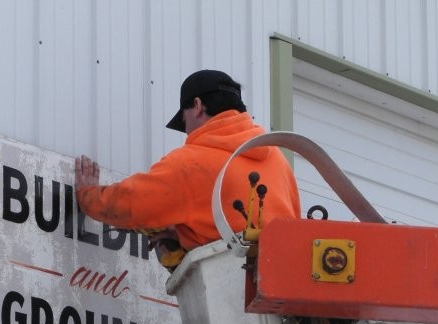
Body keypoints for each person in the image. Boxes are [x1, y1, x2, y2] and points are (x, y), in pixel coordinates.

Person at [75, 69, 301, 265]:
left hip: (232, 293)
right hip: (285, 285)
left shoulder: (191, 163)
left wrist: (88, 196)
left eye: (184, 122)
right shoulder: (277, 159)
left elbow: (130, 203)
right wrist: (185, 234)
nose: (188, 131)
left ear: (197, 105)